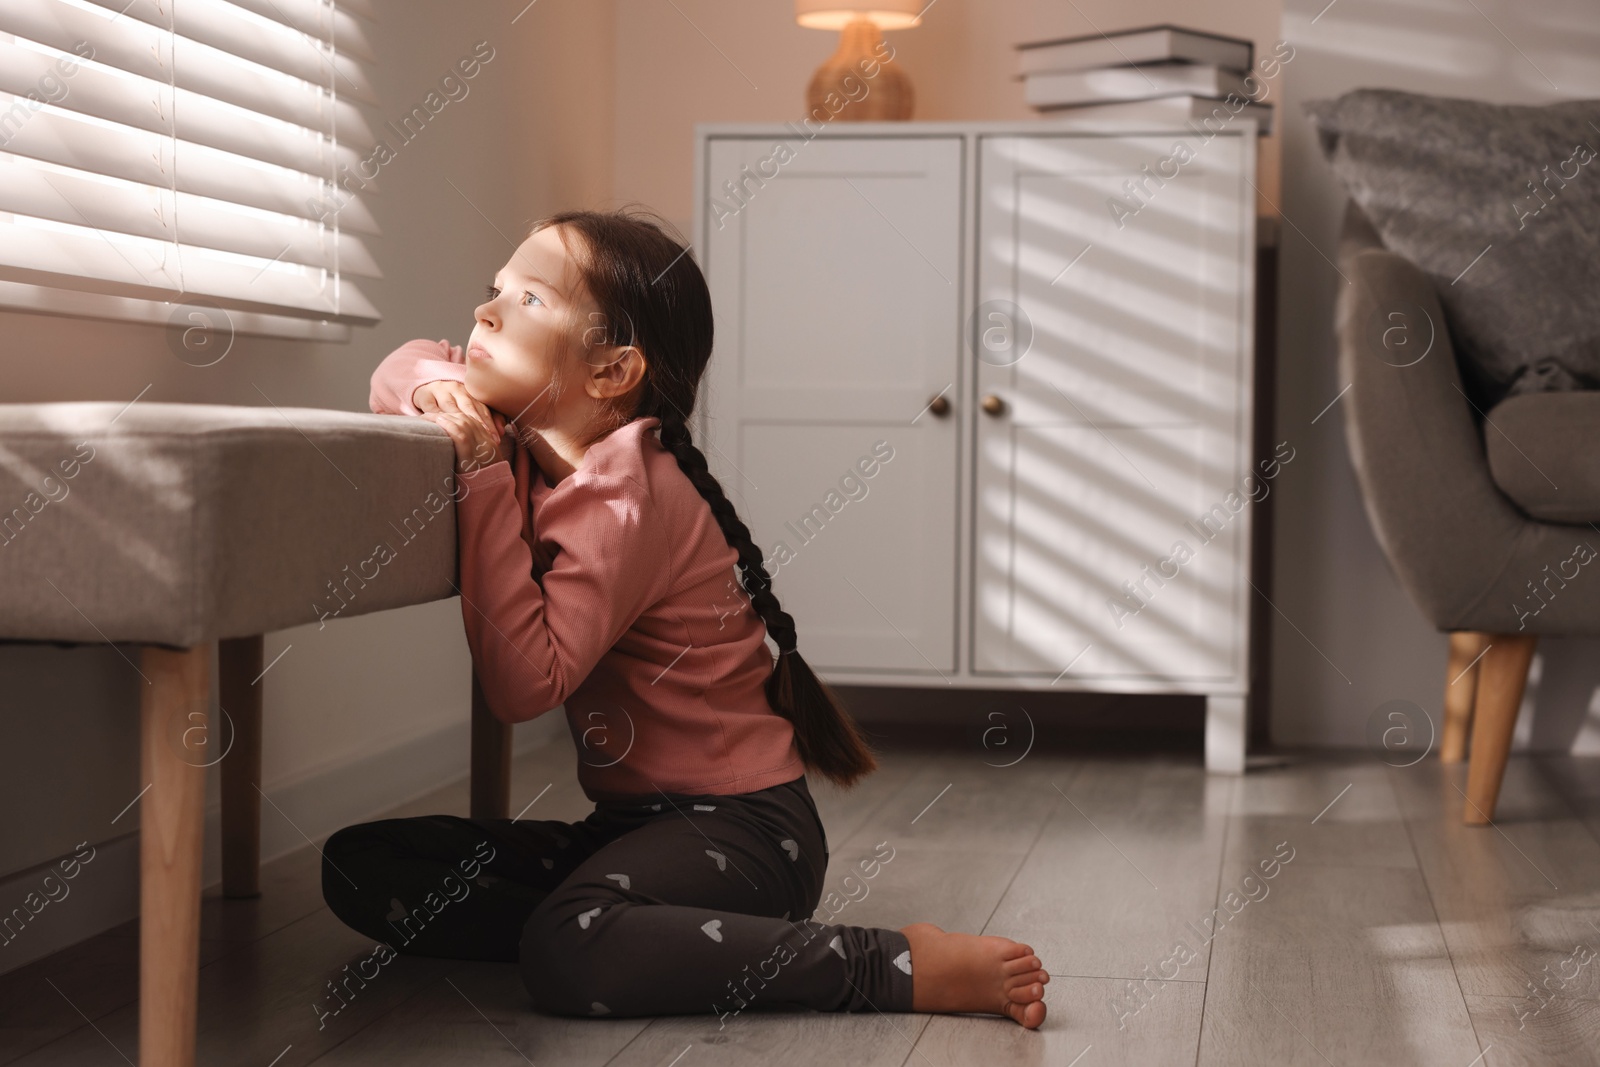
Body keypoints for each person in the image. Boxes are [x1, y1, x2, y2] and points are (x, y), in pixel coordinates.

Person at [320, 207, 1050, 1028]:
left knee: (568, 948)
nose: (486, 311)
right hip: (629, 825)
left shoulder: (625, 496)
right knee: (362, 866)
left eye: (530, 300)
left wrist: (483, 475)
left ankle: (889, 963)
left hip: (744, 830)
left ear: (609, 372)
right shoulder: (530, 432)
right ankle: (663, 940)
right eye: (495, 290)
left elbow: (524, 684)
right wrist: (433, 391)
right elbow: (401, 364)